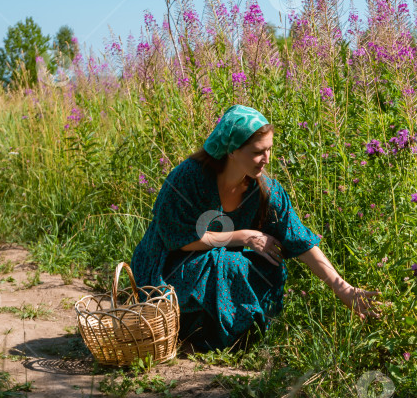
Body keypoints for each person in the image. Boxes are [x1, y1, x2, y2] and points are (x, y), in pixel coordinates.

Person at [130, 105, 379, 351]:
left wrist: (344, 289)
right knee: (229, 264)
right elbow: (179, 238)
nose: (266, 159)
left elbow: (299, 241)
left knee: (266, 262)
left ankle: (238, 338)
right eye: (257, 152)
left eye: (269, 149)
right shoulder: (189, 178)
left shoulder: (265, 191)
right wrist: (243, 236)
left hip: (213, 260)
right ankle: (192, 334)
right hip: (168, 266)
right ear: (231, 151)